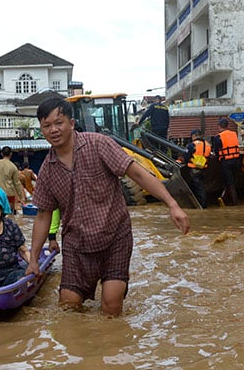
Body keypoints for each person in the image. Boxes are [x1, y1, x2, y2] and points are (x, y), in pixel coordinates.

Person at [26, 96, 189, 316]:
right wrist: (33, 260)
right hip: (77, 244)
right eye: (47, 125)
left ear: (71, 123)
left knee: (111, 308)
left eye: (59, 122)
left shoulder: (98, 144)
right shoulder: (47, 170)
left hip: (115, 237)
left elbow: (137, 173)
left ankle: (116, 300)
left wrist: (172, 204)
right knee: (68, 308)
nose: (53, 129)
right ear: (42, 130)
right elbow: (43, 215)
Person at [212, 117, 241, 206]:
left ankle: (235, 203)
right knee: (232, 181)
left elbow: (217, 151)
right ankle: (226, 198)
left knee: (229, 182)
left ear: (219, 126)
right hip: (236, 160)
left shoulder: (218, 137)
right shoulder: (234, 134)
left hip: (226, 162)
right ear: (227, 126)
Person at [0, 146, 25, 214]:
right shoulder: (13, 166)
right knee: (9, 215)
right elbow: (17, 183)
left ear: (1, 154)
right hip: (10, 194)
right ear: (11, 154)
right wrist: (22, 197)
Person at [183, 129, 211, 208]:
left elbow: (186, 156)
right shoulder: (207, 145)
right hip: (203, 168)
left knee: (198, 188)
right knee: (201, 187)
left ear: (193, 136)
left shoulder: (192, 145)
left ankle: (202, 206)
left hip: (194, 169)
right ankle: (203, 204)